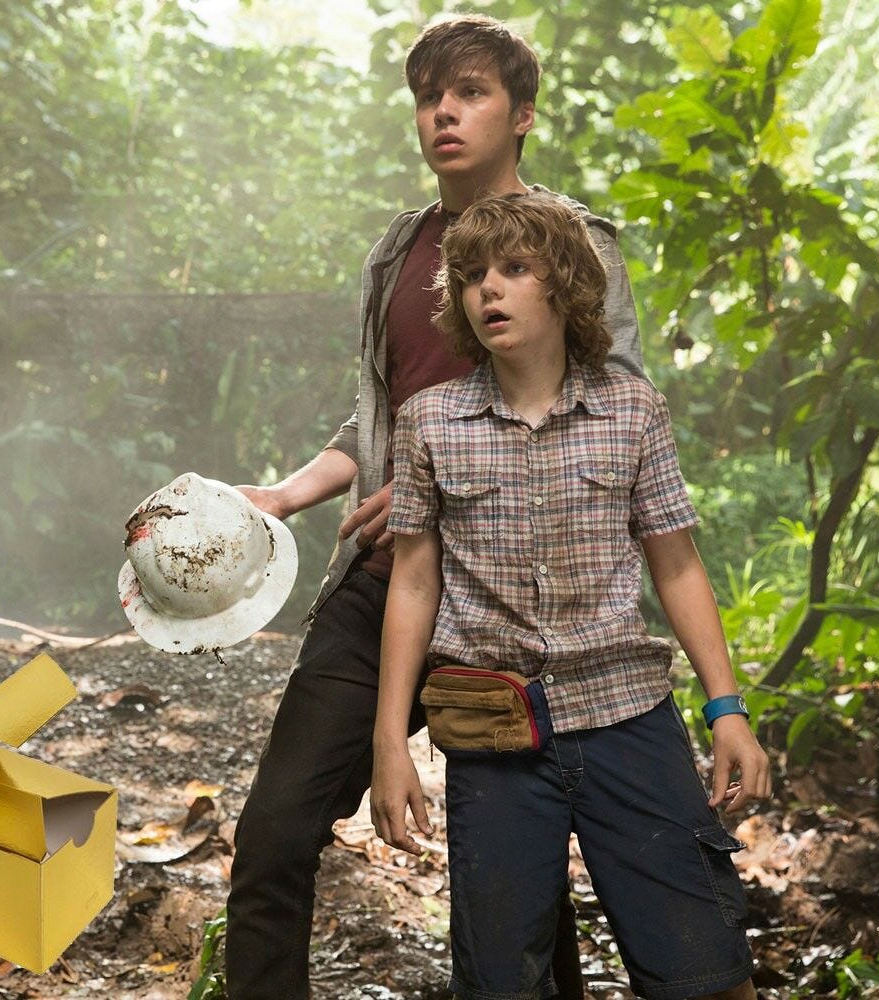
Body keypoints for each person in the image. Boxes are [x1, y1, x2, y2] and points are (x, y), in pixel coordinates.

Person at [227, 15, 645, 998]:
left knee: (520, 889)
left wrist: (440, 488)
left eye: (470, 92)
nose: (444, 112)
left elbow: (614, 416)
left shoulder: (578, 244)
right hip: (385, 584)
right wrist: (285, 494)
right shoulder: (398, 252)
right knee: (274, 832)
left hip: (514, 602)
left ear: (524, 113)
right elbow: (381, 413)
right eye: (428, 96)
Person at [371, 192, 771, 1000]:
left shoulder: (631, 409)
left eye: (515, 270)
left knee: (705, 967)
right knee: (500, 981)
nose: (490, 291)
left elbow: (678, 565)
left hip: (629, 717)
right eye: (474, 276)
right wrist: (390, 743)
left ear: (566, 291)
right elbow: (414, 581)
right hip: (495, 734)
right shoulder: (430, 422)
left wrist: (727, 711)